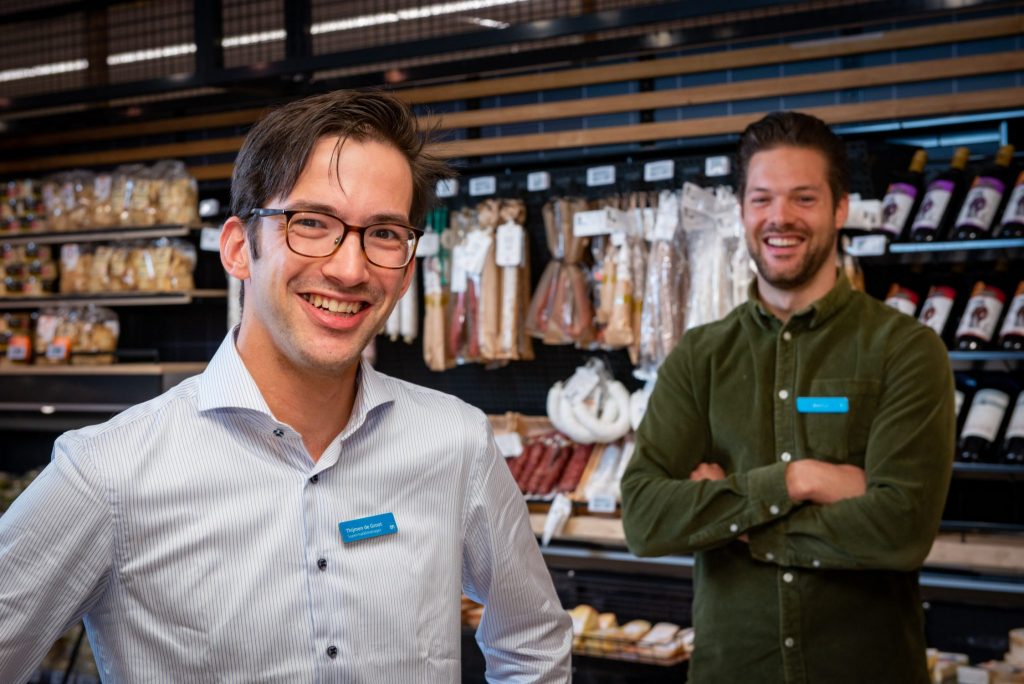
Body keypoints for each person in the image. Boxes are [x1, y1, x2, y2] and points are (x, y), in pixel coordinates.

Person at [0, 90, 572, 683]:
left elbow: (531, 642)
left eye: (383, 234)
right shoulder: (108, 473)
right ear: (239, 247)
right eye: (312, 223)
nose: (350, 269)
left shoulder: (455, 442)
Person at [621, 111, 954, 683]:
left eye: (804, 198)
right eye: (762, 199)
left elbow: (901, 530)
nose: (780, 218)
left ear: (839, 208)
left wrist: (737, 520)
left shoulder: (907, 350)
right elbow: (646, 518)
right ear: (742, 209)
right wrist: (798, 480)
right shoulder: (700, 356)